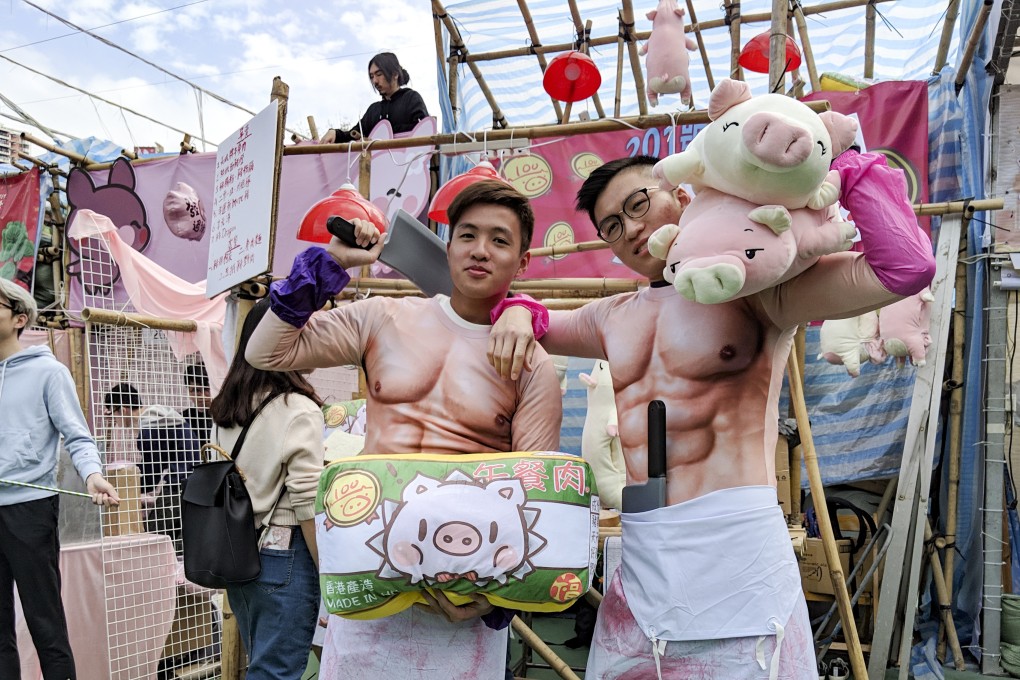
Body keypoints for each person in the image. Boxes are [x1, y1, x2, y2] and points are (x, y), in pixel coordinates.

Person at [488, 152, 936, 678]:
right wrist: (517, 309)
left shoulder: (760, 291)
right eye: (613, 226)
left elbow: (904, 268)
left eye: (639, 204)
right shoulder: (610, 317)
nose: (632, 229)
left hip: (738, 551)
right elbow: (532, 319)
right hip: (642, 554)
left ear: (683, 196)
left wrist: (855, 171)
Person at [245, 179, 563, 679]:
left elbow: (533, 491)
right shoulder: (382, 318)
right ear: (449, 242)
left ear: (523, 261)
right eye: (467, 235)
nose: (480, 250)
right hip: (373, 578)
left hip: (464, 594)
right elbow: (266, 353)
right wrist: (330, 264)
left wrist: (494, 601)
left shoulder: (532, 365)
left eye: (500, 240)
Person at [0, 278, 120, 680]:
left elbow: (77, 435)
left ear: (20, 318)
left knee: (44, 622)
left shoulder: (48, 372)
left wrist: (92, 475)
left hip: (29, 510)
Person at [210, 297, 325, 680]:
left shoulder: (230, 406)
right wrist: (328, 570)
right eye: (307, 333)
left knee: (263, 664)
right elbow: (307, 502)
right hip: (286, 556)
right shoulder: (298, 408)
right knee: (276, 672)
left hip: (238, 553)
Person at [104, 383, 200, 554]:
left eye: (113, 415)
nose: (115, 422)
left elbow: (151, 475)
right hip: (194, 482)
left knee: (153, 539)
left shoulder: (149, 428)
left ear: (122, 410)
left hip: (178, 486)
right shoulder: (162, 415)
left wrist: (122, 486)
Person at [318, 52, 429, 144]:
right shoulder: (374, 110)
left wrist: (379, 136)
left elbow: (424, 130)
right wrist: (335, 134)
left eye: (379, 74)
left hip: (409, 167)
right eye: (371, 76)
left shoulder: (411, 98)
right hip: (376, 169)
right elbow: (355, 134)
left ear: (395, 74)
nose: (375, 81)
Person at [183, 362, 213, 445]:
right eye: (196, 390)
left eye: (207, 389)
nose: (202, 396)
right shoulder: (183, 419)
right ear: (188, 391)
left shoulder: (226, 416)